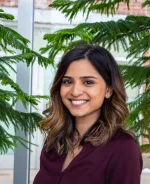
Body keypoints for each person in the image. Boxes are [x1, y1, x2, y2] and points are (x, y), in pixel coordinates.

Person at [33, 44, 143, 184]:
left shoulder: (123, 148)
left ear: (109, 89)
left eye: (88, 82)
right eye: (67, 81)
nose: (75, 91)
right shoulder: (55, 140)